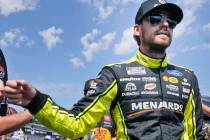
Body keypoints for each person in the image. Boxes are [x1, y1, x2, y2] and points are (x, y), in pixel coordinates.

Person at [4, 0, 204, 139]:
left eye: (171, 22)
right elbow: (76, 125)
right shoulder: (116, 74)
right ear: (137, 30)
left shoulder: (187, 78)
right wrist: (36, 101)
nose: (165, 24)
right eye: (155, 19)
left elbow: (194, 134)